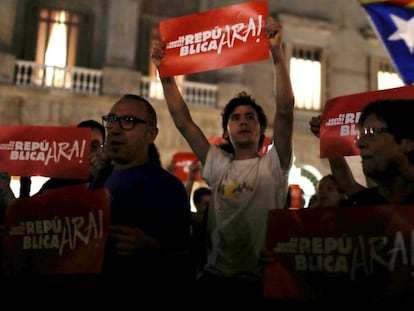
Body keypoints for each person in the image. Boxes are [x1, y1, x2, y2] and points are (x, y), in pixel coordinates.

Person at [152, 17, 294, 302]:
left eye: (250, 118)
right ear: (227, 131)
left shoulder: (274, 165)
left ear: (261, 130)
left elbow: (285, 110)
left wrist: (277, 54)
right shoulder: (217, 165)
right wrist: (165, 75)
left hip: (261, 284)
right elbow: (184, 123)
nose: (243, 123)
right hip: (214, 282)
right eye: (236, 118)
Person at [89, 94, 192, 298]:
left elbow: (185, 257)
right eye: (110, 120)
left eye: (128, 121)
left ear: (151, 134)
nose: (115, 129)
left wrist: (151, 247)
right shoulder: (99, 179)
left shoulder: (168, 187)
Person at [35, 119, 107, 194]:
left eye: (94, 146)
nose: (88, 151)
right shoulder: (56, 184)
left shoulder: (109, 182)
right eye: (83, 145)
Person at [309, 114, 367, 196]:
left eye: (329, 188)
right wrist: (328, 137)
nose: (323, 192)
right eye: (320, 188)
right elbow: (341, 174)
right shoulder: (371, 197)